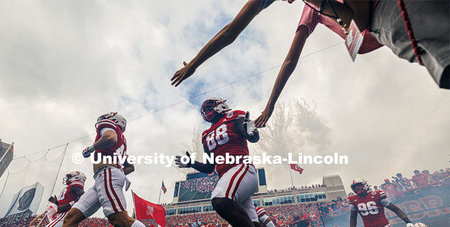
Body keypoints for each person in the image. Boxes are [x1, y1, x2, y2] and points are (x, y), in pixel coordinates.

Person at [171, 1, 449, 118]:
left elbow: (359, 15)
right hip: (385, 27)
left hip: (391, 13)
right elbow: (235, 31)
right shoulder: (310, 8)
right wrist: (270, 105)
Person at [0, 112, 170, 227]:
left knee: (118, 218)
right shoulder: (122, 142)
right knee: (71, 219)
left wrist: (91, 149)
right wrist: (118, 173)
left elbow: (109, 137)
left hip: (106, 174)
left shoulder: (110, 129)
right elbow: (130, 166)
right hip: (103, 177)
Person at [175, 97, 301, 227]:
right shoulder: (206, 135)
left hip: (241, 169)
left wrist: (252, 131)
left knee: (220, 201)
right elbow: (209, 167)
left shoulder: (235, 116)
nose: (212, 107)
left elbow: (252, 137)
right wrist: (191, 163)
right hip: (227, 175)